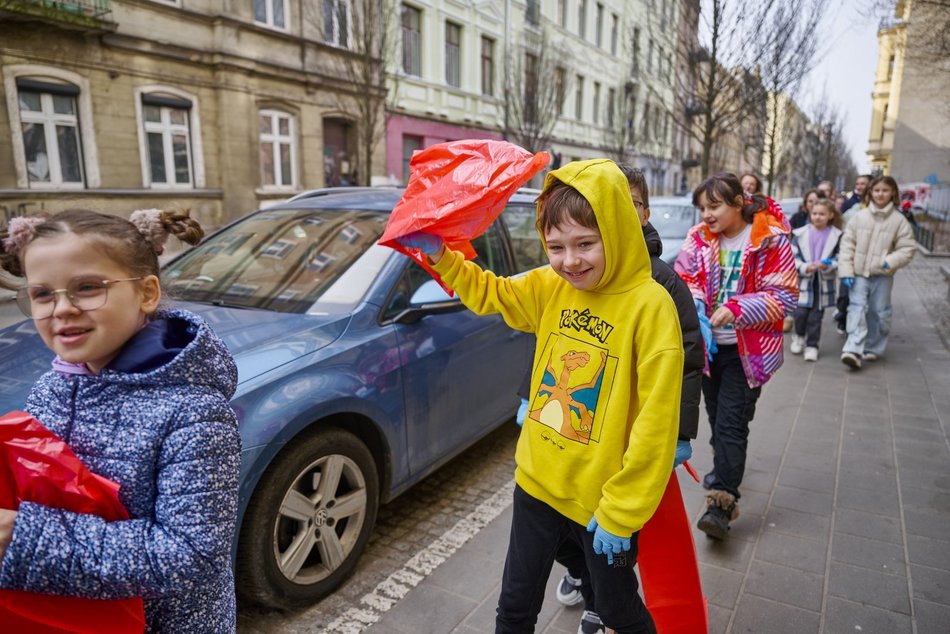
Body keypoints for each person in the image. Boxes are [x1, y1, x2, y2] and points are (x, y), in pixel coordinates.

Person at [399, 159, 684, 633]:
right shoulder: (552, 285)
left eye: (585, 244)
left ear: (615, 231)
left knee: (615, 609)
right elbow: (490, 293)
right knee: (514, 608)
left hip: (600, 504)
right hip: (537, 482)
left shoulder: (650, 305)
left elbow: (657, 425)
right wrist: (444, 256)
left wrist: (623, 511)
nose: (570, 261)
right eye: (556, 247)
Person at [0, 208, 241, 631]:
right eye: (42, 294)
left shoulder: (195, 414)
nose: (62, 309)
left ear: (147, 293)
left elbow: (192, 554)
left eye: (88, 288)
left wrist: (21, 539)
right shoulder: (52, 388)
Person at [547, 165, 705, 634]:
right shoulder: (584, 272)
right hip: (584, 429)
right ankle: (583, 575)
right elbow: (552, 340)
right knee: (563, 523)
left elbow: (688, 359)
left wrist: (679, 431)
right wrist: (527, 395)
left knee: (617, 528)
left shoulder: (662, 283)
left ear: (643, 211)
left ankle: (606, 598)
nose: (623, 211)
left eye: (631, 204)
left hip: (632, 434)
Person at [674, 172, 798, 540]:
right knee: (718, 420)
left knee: (730, 424)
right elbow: (687, 278)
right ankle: (725, 466)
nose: (706, 215)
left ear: (739, 203)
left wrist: (737, 307)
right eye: (702, 208)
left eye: (714, 206)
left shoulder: (770, 240)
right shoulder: (698, 238)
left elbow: (785, 296)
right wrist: (695, 304)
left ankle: (721, 503)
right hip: (710, 351)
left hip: (750, 354)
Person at [838, 175, 917, 368]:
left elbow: (908, 248)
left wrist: (889, 262)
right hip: (859, 274)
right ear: (870, 193)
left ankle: (872, 347)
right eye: (876, 190)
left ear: (893, 193)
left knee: (879, 312)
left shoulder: (899, 221)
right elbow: (847, 244)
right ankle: (853, 348)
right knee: (856, 308)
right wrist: (846, 271)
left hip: (882, 275)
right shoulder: (859, 217)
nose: (880, 194)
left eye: (885, 190)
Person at [789, 198, 843, 361]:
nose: (818, 217)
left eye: (822, 214)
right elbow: (792, 256)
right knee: (800, 314)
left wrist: (830, 265)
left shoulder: (837, 235)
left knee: (815, 317)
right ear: (810, 214)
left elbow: (840, 257)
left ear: (830, 215)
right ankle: (798, 336)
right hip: (804, 280)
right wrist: (805, 267)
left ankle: (812, 345)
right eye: (815, 213)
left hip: (821, 281)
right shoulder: (800, 234)